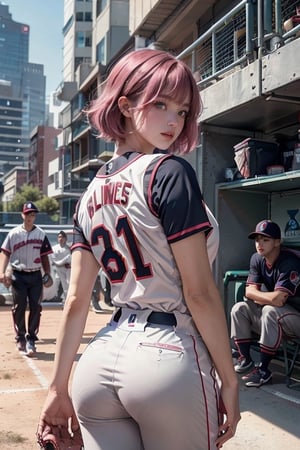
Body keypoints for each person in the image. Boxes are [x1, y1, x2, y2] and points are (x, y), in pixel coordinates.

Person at [37, 49, 240, 450]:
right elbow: (198, 293)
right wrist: (230, 380)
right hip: (167, 354)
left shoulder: (88, 193)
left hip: (102, 358)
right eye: (161, 104)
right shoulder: (169, 171)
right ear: (125, 106)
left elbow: (77, 301)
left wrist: (58, 387)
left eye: (183, 111)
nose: (173, 120)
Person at [231, 219, 300, 387]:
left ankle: (264, 370)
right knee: (239, 308)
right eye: (257, 239)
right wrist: (263, 296)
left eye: (265, 239)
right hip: (279, 318)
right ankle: (246, 358)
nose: (259, 243)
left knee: (269, 310)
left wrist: (259, 296)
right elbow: (249, 292)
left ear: (277, 242)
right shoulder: (257, 258)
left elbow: (279, 300)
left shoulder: (289, 261)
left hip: (296, 319)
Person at [0, 202, 53, 356]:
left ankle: (31, 339)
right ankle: (21, 337)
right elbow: (5, 253)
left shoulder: (41, 234)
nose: (30, 217)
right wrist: (2, 271)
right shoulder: (14, 234)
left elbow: (44, 257)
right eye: (28, 214)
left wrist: (47, 273)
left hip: (35, 275)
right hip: (18, 274)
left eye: (33, 214)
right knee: (19, 307)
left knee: (36, 307)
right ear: (22, 215)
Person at [51, 230, 71, 303]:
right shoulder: (54, 248)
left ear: (65, 239)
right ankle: (55, 298)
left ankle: (67, 300)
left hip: (68, 269)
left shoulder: (69, 248)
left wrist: (68, 262)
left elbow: (71, 258)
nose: (61, 239)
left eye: (62, 237)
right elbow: (54, 260)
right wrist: (64, 261)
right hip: (58, 269)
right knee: (57, 282)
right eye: (59, 237)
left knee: (68, 283)